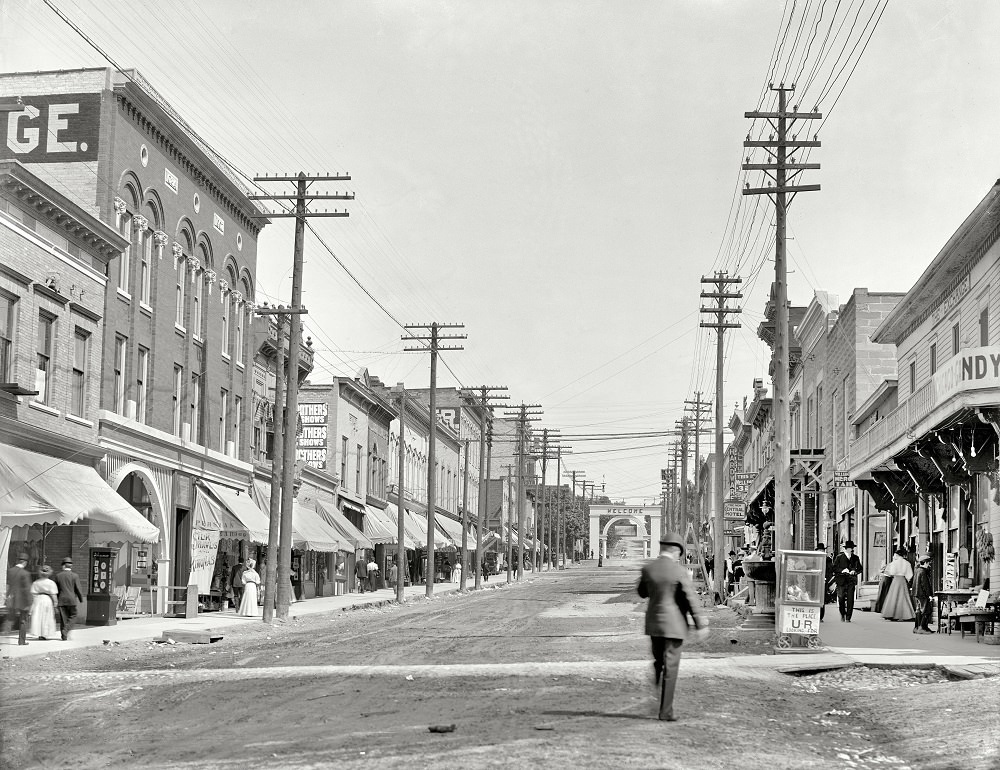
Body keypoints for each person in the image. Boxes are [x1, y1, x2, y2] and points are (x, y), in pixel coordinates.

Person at [637, 532, 709, 722]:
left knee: (658, 662)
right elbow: (690, 598)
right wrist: (700, 623)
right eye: (679, 553)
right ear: (676, 550)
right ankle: (665, 711)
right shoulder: (679, 571)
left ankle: (657, 691)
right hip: (675, 626)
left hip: (654, 625)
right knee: (671, 668)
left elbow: (642, 593)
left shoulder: (648, 569)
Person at [4, 553, 33, 646]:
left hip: (11, 599)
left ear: (18, 561)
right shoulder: (25, 573)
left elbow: (8, 584)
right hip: (23, 601)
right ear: (25, 562)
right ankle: (21, 641)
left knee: (9, 619)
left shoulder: (10, 571)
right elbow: (27, 589)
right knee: (23, 621)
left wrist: (7, 596)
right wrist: (30, 602)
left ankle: (4, 637)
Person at [880, 548, 915, 622]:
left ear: (897, 555)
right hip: (902, 580)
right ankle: (905, 615)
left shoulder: (894, 563)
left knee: (893, 597)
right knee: (903, 597)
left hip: (896, 580)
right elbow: (910, 575)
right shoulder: (907, 563)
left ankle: (892, 614)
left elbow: (891, 572)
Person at [54, 557, 84, 641]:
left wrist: (56, 600)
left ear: (63, 566)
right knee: (74, 615)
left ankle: (64, 636)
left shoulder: (58, 576)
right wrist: (81, 598)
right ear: (71, 566)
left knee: (63, 618)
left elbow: (56, 589)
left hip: (61, 599)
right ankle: (65, 630)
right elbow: (78, 588)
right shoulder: (75, 576)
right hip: (71, 599)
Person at [832, 540, 863, 622]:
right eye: (849, 548)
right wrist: (842, 570)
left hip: (851, 580)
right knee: (841, 598)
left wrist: (855, 571)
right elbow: (834, 568)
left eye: (851, 548)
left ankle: (848, 617)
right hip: (841, 580)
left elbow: (860, 569)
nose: (851, 550)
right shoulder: (839, 557)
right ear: (845, 549)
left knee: (850, 599)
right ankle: (842, 613)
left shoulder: (855, 558)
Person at [28, 565, 59, 641]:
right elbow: (53, 595)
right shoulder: (51, 583)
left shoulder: (36, 583)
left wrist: (31, 607)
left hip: (38, 600)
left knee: (38, 616)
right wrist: (55, 604)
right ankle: (45, 633)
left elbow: (33, 595)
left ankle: (39, 633)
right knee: (46, 616)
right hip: (47, 600)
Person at [912, 555, 934, 634]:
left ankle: (917, 627)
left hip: (916, 593)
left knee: (919, 610)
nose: (929, 565)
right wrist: (929, 595)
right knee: (927, 610)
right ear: (925, 563)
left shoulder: (917, 570)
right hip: (922, 594)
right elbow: (925, 585)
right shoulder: (923, 571)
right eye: (928, 563)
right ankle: (922, 627)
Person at [816, 543, 836, 621]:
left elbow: (830, 571)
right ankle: (815, 615)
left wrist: (826, 579)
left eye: (822, 550)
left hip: (823, 582)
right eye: (819, 550)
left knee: (822, 600)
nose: (820, 551)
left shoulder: (827, 560)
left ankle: (820, 616)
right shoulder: (814, 559)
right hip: (815, 581)